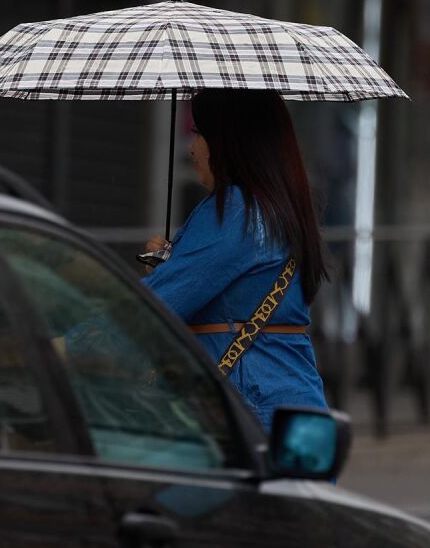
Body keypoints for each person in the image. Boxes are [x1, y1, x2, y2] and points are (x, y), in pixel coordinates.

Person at [141, 89, 329, 432]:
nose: (192, 147)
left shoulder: (236, 211)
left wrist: (66, 349)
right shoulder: (276, 207)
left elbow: (151, 309)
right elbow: (238, 284)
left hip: (250, 410)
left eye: (199, 133)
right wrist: (173, 260)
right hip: (291, 407)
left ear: (228, 140)